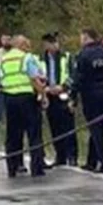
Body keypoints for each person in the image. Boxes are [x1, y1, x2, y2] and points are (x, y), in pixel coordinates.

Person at [0, 34, 47, 177]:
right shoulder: (26, 58)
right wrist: (42, 95)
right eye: (26, 44)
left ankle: (13, 167)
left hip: (10, 99)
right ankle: (37, 168)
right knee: (34, 133)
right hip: (27, 98)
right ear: (21, 45)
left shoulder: (4, 59)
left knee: (12, 135)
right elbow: (34, 78)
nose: (28, 47)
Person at [71, 28, 103, 173]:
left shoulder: (83, 54)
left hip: (90, 94)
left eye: (81, 38)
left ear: (86, 37)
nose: (80, 40)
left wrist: (73, 97)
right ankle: (91, 161)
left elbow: (78, 78)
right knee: (97, 126)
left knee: (95, 128)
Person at [38, 32, 79, 167]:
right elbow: (37, 77)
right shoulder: (40, 59)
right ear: (45, 45)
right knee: (54, 127)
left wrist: (63, 87)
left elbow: (73, 74)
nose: (54, 45)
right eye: (50, 43)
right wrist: (45, 89)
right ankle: (60, 155)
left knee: (68, 126)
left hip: (64, 94)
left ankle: (72, 156)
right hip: (49, 96)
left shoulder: (66, 57)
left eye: (55, 42)